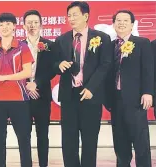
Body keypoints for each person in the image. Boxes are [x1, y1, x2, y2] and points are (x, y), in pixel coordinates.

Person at [53, 1, 112, 167]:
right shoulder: (61, 39)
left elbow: (105, 65)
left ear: (86, 16)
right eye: (69, 15)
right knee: (68, 140)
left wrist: (91, 88)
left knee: (89, 140)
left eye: (75, 15)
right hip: (69, 96)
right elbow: (53, 63)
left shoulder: (101, 38)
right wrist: (58, 65)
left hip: (90, 96)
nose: (71, 19)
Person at [105, 10, 153, 167]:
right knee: (120, 143)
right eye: (118, 20)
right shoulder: (109, 46)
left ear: (132, 24)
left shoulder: (142, 43)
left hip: (136, 101)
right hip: (116, 101)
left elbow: (148, 70)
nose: (121, 23)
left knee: (141, 143)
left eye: (126, 20)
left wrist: (148, 92)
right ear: (113, 24)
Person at [0, 12, 33, 167]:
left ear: (14, 26)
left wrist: (3, 77)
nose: (4, 27)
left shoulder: (22, 47)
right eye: (1, 25)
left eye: (8, 24)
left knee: (24, 138)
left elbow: (27, 73)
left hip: (19, 99)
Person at [21, 10, 56, 167]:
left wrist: (37, 83)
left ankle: (43, 164)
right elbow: (13, 69)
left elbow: (52, 69)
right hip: (23, 96)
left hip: (42, 96)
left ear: (41, 25)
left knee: (43, 134)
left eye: (35, 22)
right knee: (24, 135)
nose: (32, 25)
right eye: (29, 22)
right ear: (23, 25)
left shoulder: (49, 45)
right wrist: (27, 85)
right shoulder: (18, 46)